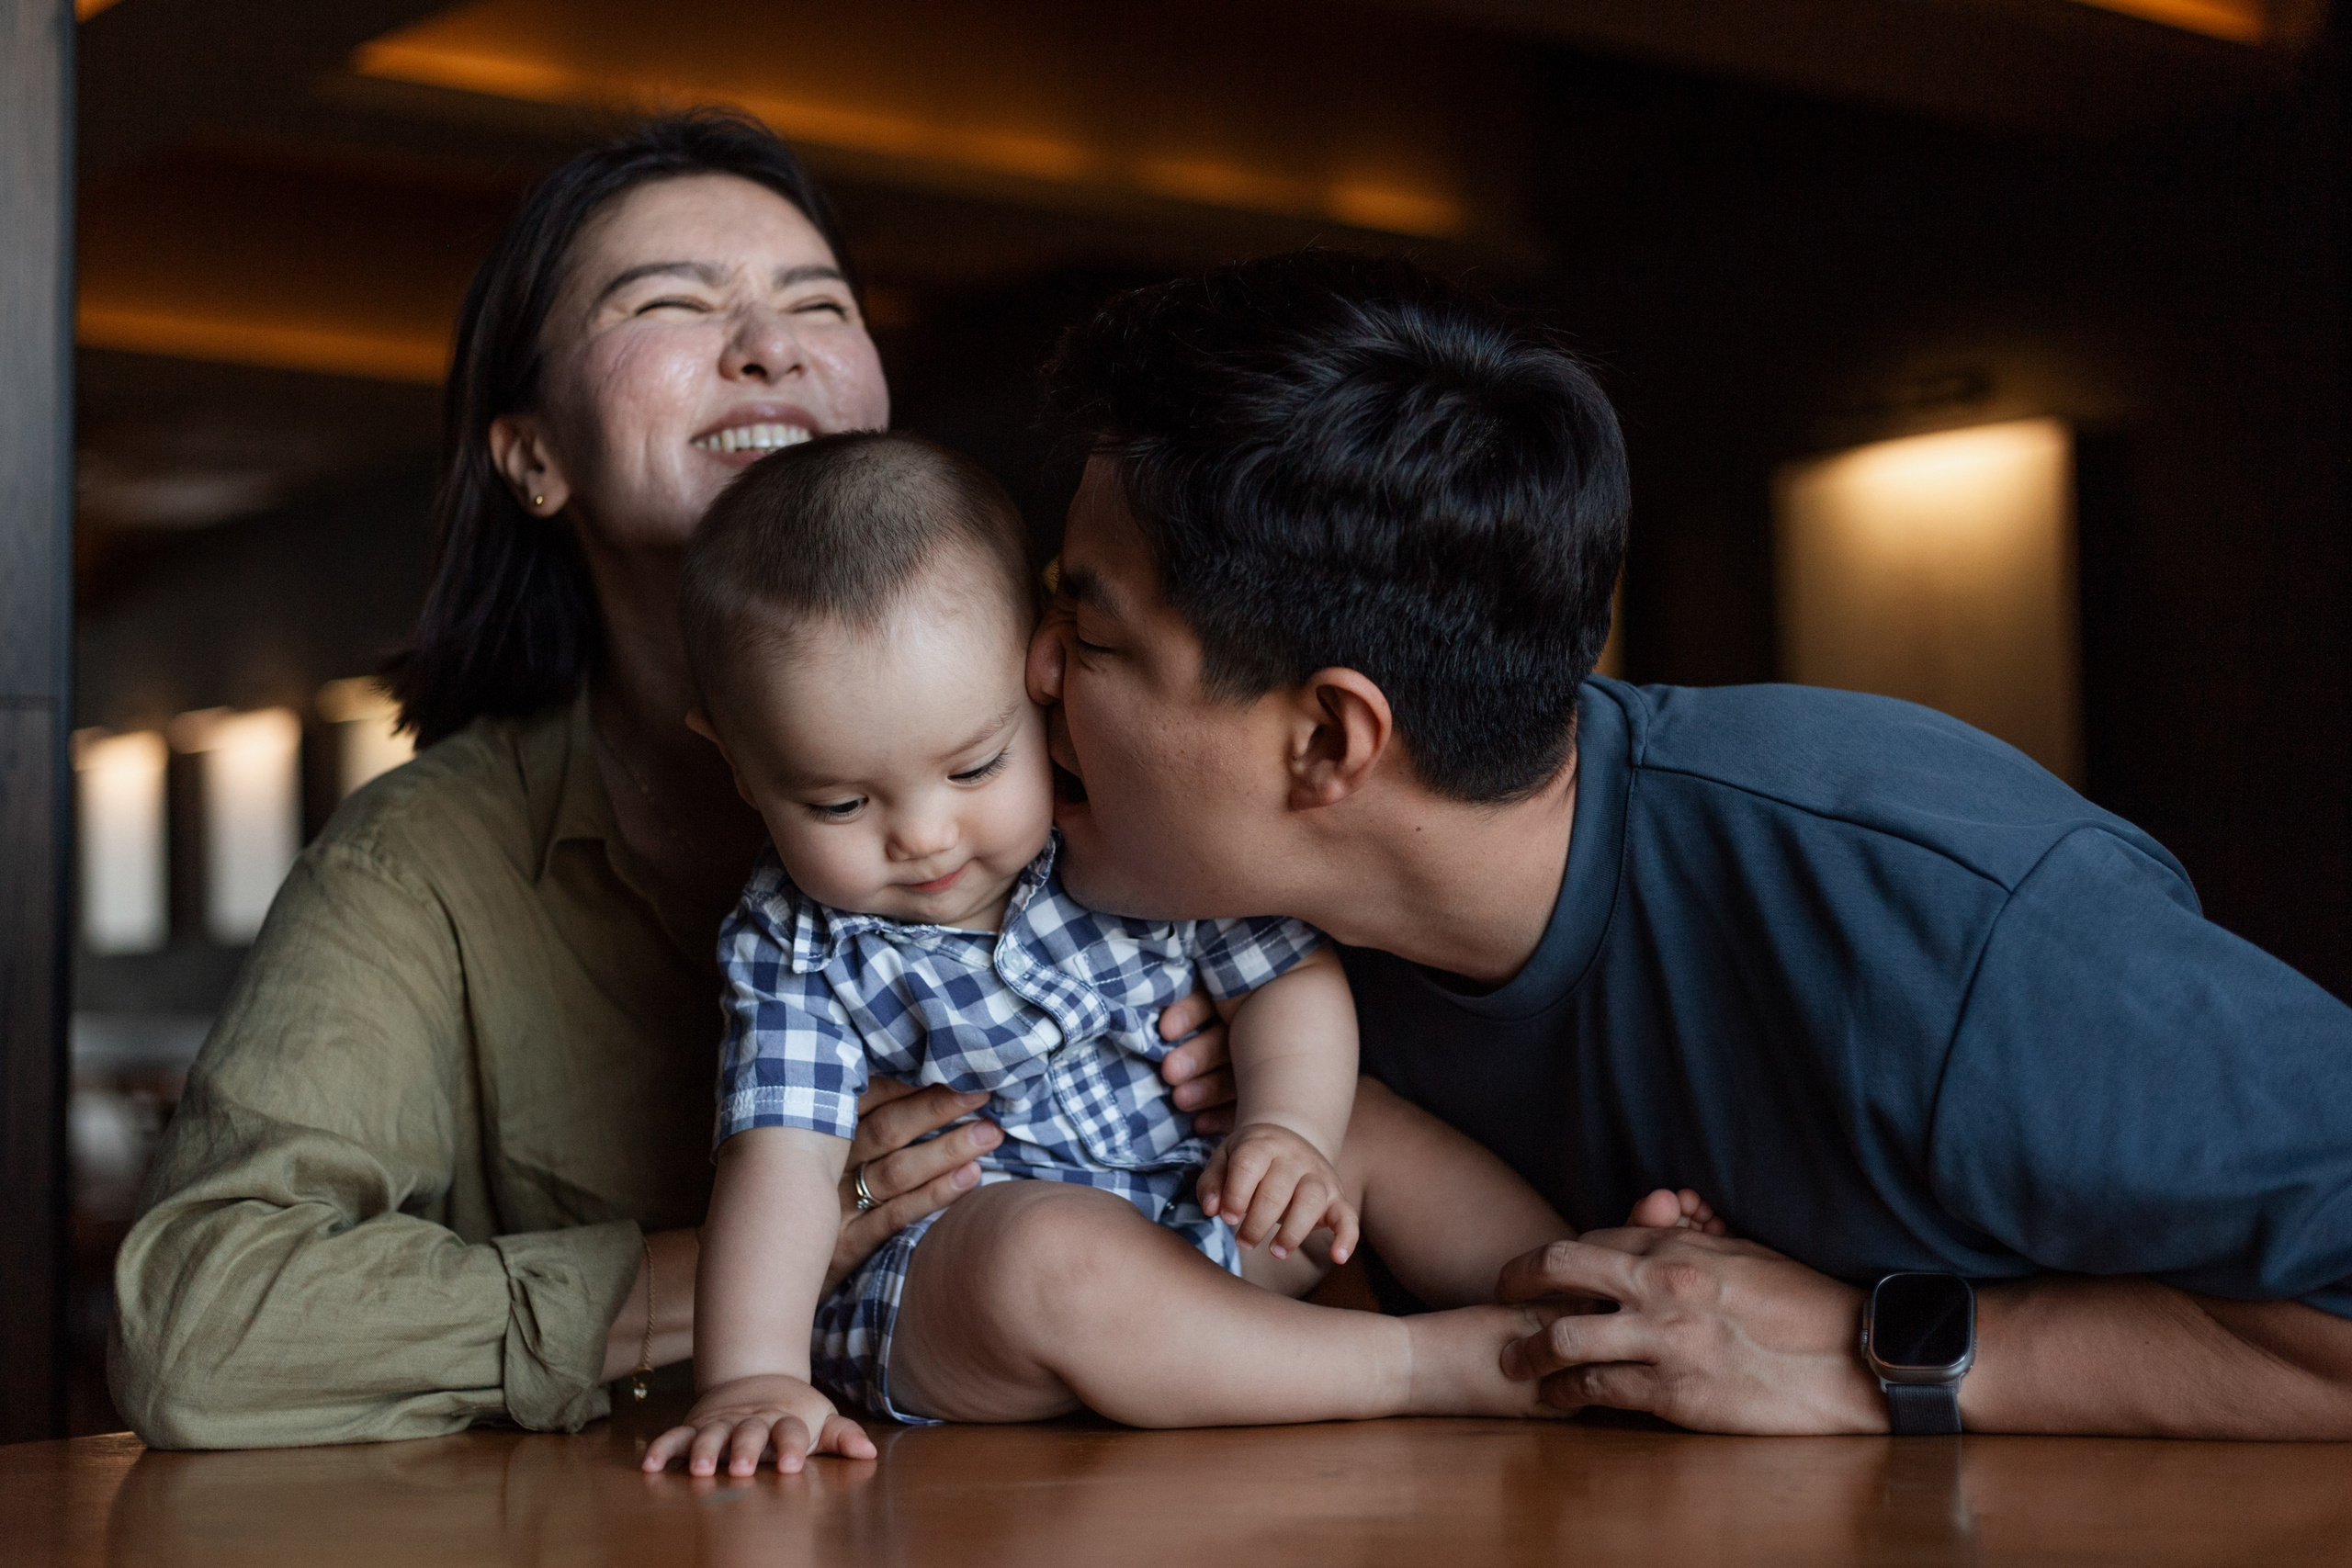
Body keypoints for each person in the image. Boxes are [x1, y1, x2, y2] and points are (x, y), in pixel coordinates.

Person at [1015, 248, 2352, 1438]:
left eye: (1094, 634)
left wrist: (1867, 1357)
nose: (1029, 672)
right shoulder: (1185, 929)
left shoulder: (1929, 914)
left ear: (1328, 741)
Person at [104, 113, 1240, 1448]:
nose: (769, 344)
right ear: (533, 454)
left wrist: (1248, 1046)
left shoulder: (1084, 713)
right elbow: (200, 1328)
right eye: (669, 303)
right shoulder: (427, 863)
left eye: (818, 303)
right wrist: (742, 1263)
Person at [642, 431, 1723, 1476]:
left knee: (1367, 1126)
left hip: (1207, 1209)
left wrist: (1285, 1133)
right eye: (837, 800)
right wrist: (751, 1377)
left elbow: (1285, 979)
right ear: (737, 764)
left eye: (974, 769)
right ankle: (1417, 1363)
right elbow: (777, 1167)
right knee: (1041, 1258)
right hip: (971, 1291)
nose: (923, 836)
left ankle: (1584, 1298)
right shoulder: (799, 944)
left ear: (1037, 676)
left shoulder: (1129, 835)